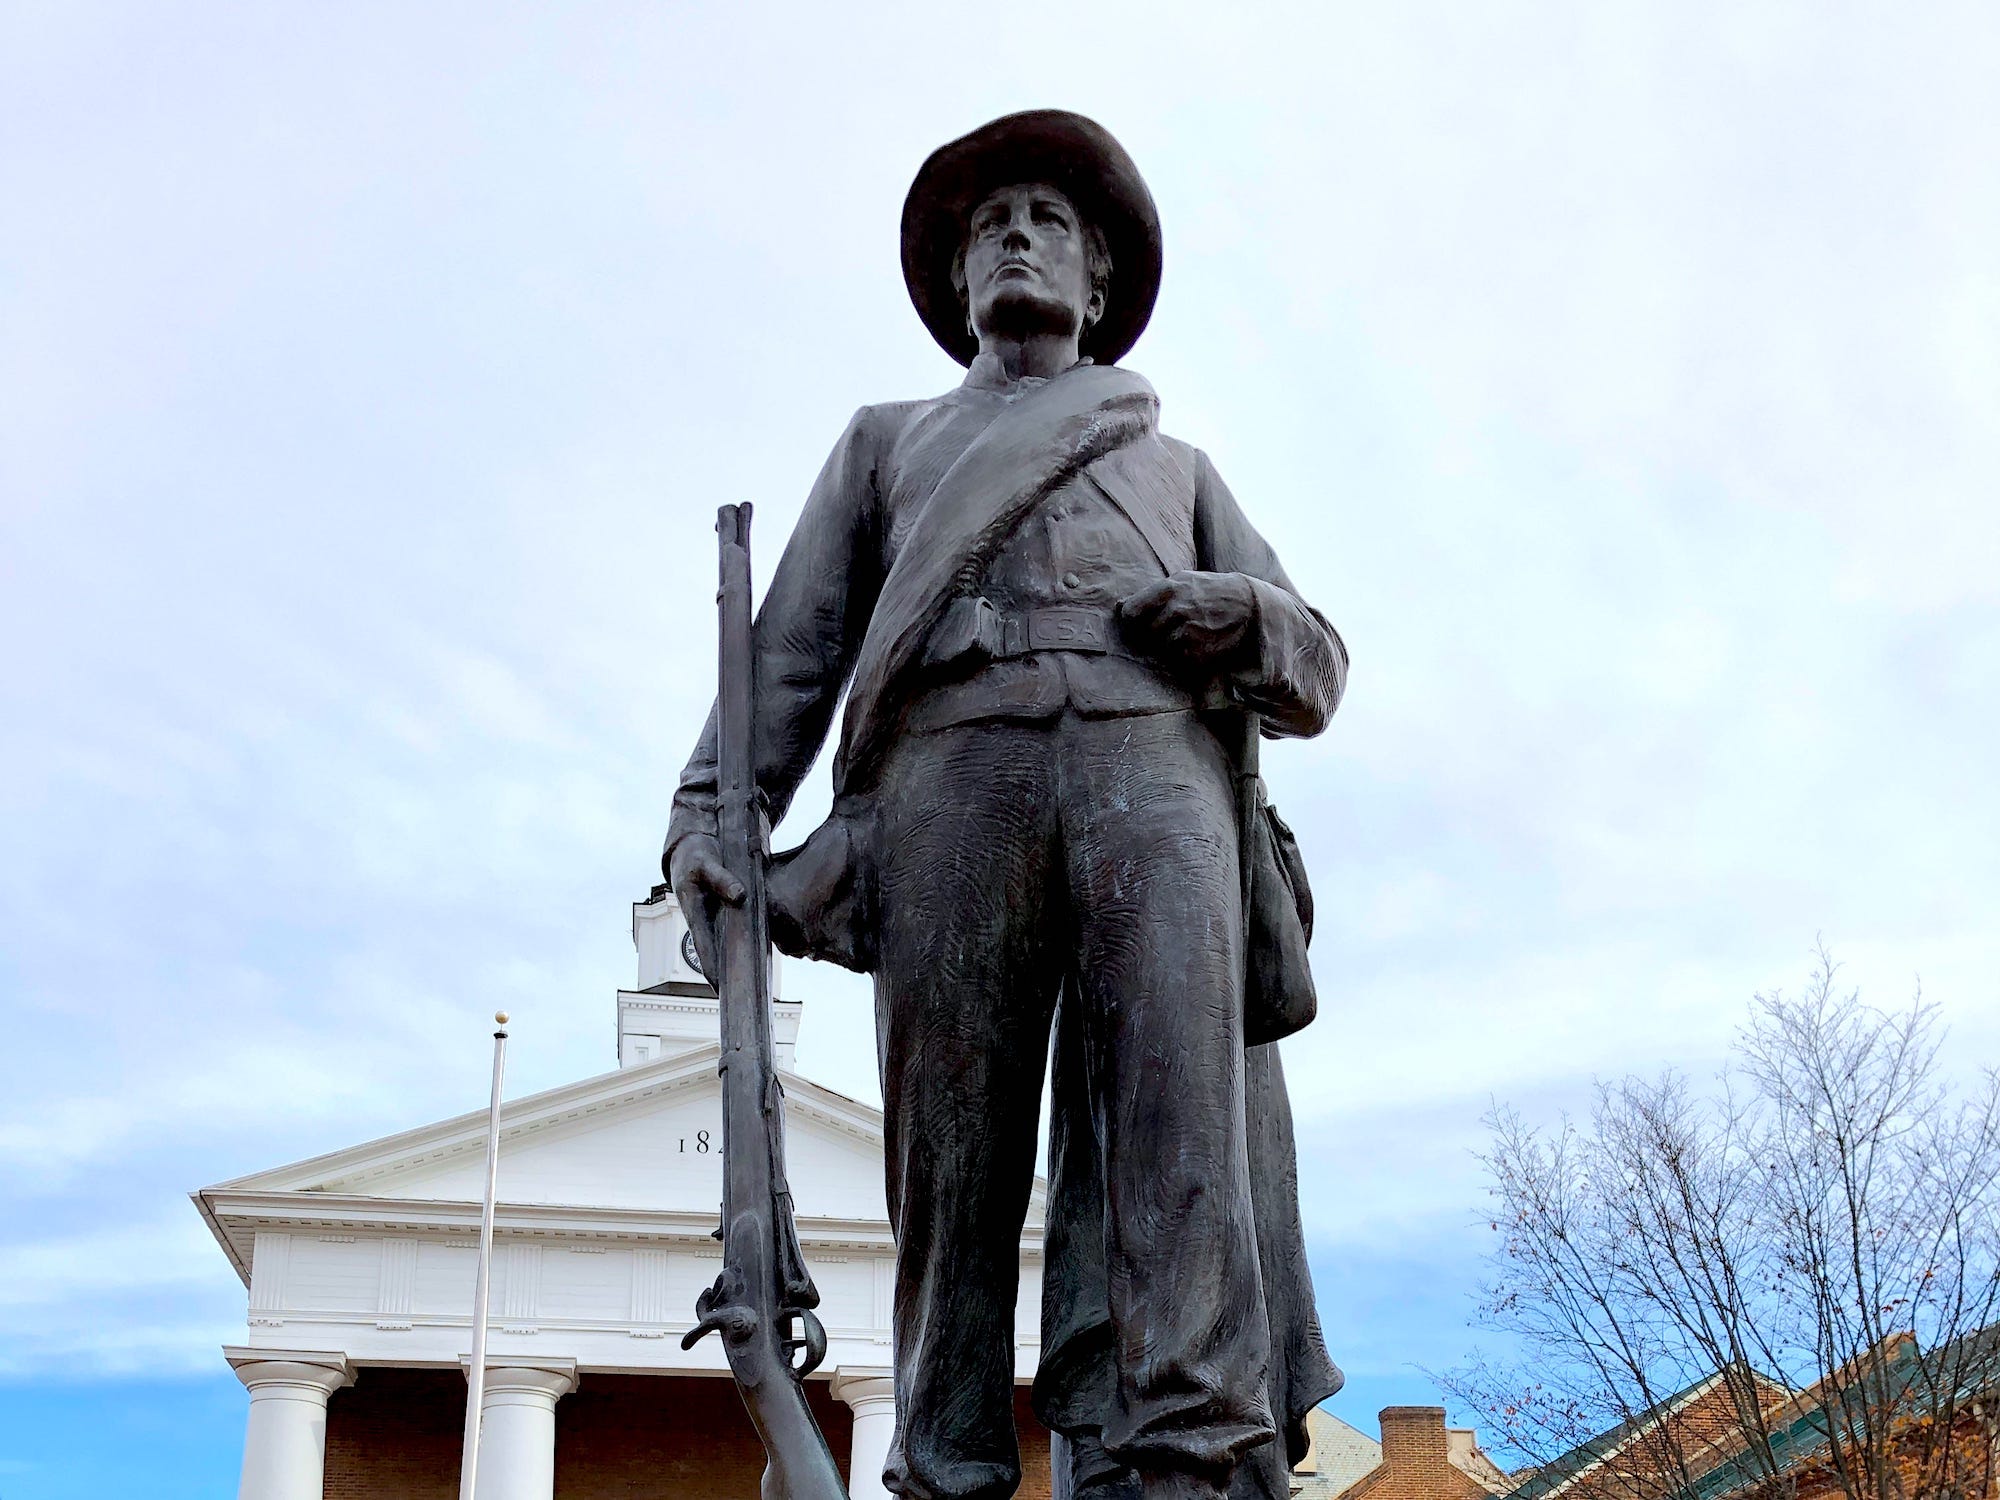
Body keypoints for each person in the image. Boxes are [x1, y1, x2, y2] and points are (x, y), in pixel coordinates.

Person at [666, 110, 1346, 1500]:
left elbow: (1320, 663)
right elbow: (786, 662)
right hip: (949, 796)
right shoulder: (886, 444)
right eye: (988, 228)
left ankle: (1192, 1465)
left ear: (1096, 283)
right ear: (960, 282)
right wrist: (703, 818)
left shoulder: (1178, 468)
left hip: (1157, 787)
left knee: (1183, 1160)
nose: (1012, 240)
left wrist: (1247, 614)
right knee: (952, 1181)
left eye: (1043, 221)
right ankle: (944, 1468)